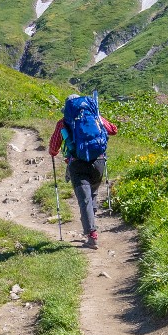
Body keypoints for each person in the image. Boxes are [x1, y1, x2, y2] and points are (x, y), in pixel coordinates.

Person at [49, 93, 118, 248]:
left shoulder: (63, 122)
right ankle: (91, 225)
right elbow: (113, 130)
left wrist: (53, 153)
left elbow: (54, 147)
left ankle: (92, 234)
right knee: (92, 195)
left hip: (77, 164)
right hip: (99, 162)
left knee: (84, 199)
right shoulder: (95, 116)